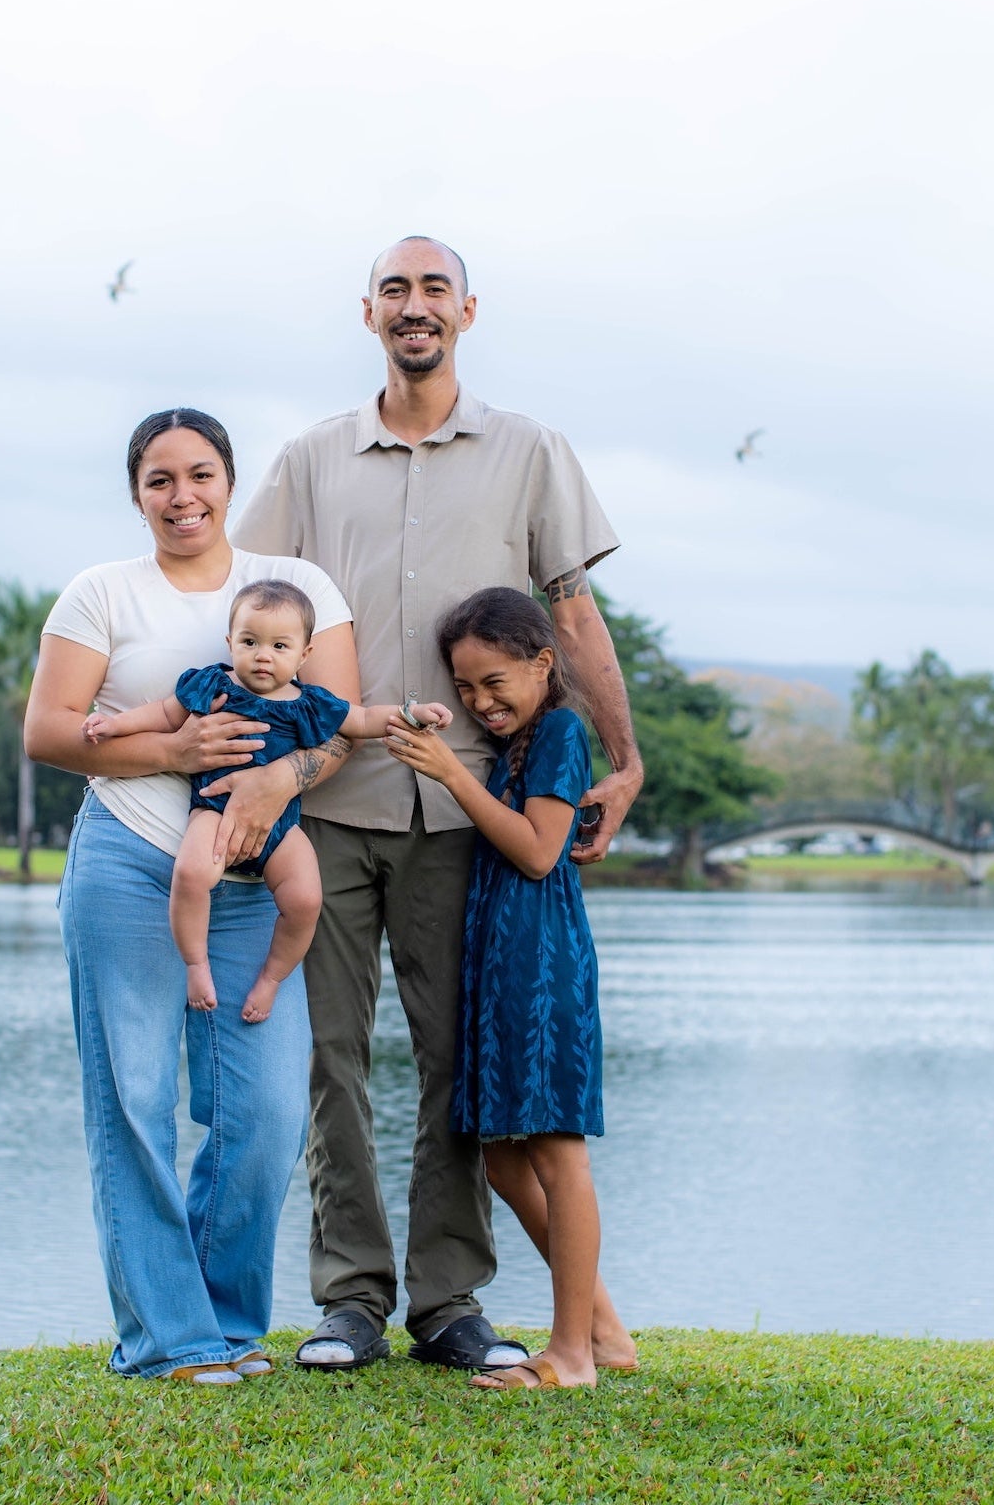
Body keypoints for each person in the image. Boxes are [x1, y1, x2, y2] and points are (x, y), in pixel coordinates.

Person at [232, 236, 644, 1374]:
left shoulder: (528, 452)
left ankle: (449, 1301)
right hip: (331, 801)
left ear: (466, 309)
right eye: (395, 291)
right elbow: (249, 605)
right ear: (368, 311)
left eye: (433, 291)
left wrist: (624, 755)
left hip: (468, 817)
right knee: (332, 1058)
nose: (415, 308)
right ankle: (350, 1300)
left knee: (458, 1069)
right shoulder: (311, 458)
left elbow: (571, 612)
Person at [23, 408, 362, 1385]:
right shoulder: (101, 593)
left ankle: (226, 1324)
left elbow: (336, 727)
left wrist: (274, 783)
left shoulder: (297, 590)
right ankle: (165, 1339)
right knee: (132, 1098)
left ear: (228, 479)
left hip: (256, 876)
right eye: (160, 479)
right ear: (137, 493)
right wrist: (173, 750)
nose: (183, 496)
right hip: (130, 863)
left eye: (201, 474)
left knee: (260, 1113)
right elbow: (49, 731)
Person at [386, 587, 632, 1390]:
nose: (480, 701)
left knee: (558, 1154)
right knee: (498, 1157)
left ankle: (570, 1356)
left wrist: (453, 774)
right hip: (499, 965)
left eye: (495, 682)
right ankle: (604, 1331)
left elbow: (537, 852)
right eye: (465, 688)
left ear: (543, 663)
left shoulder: (559, 731)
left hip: (542, 967)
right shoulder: (520, 744)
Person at [81, 578, 450, 1022]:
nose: (263, 655)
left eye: (279, 646)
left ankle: (272, 978)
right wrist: (114, 726)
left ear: (304, 655)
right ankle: (196, 965)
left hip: (280, 828)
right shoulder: (214, 686)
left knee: (307, 899)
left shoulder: (310, 704)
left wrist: (413, 714)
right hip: (214, 812)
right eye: (250, 641)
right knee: (192, 873)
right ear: (229, 642)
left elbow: (365, 718)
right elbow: (162, 714)